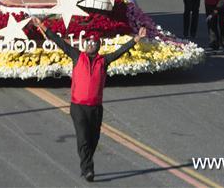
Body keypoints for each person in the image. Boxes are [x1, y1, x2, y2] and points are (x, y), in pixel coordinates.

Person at [41, 24, 148, 182]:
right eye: (88, 43)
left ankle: (86, 161)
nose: (90, 45)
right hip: (78, 107)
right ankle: (88, 169)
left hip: (96, 108)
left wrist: (136, 39)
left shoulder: (103, 61)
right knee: (83, 138)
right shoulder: (77, 56)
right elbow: (60, 42)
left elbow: (120, 52)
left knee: (93, 139)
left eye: (93, 44)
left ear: (98, 47)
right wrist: (43, 27)